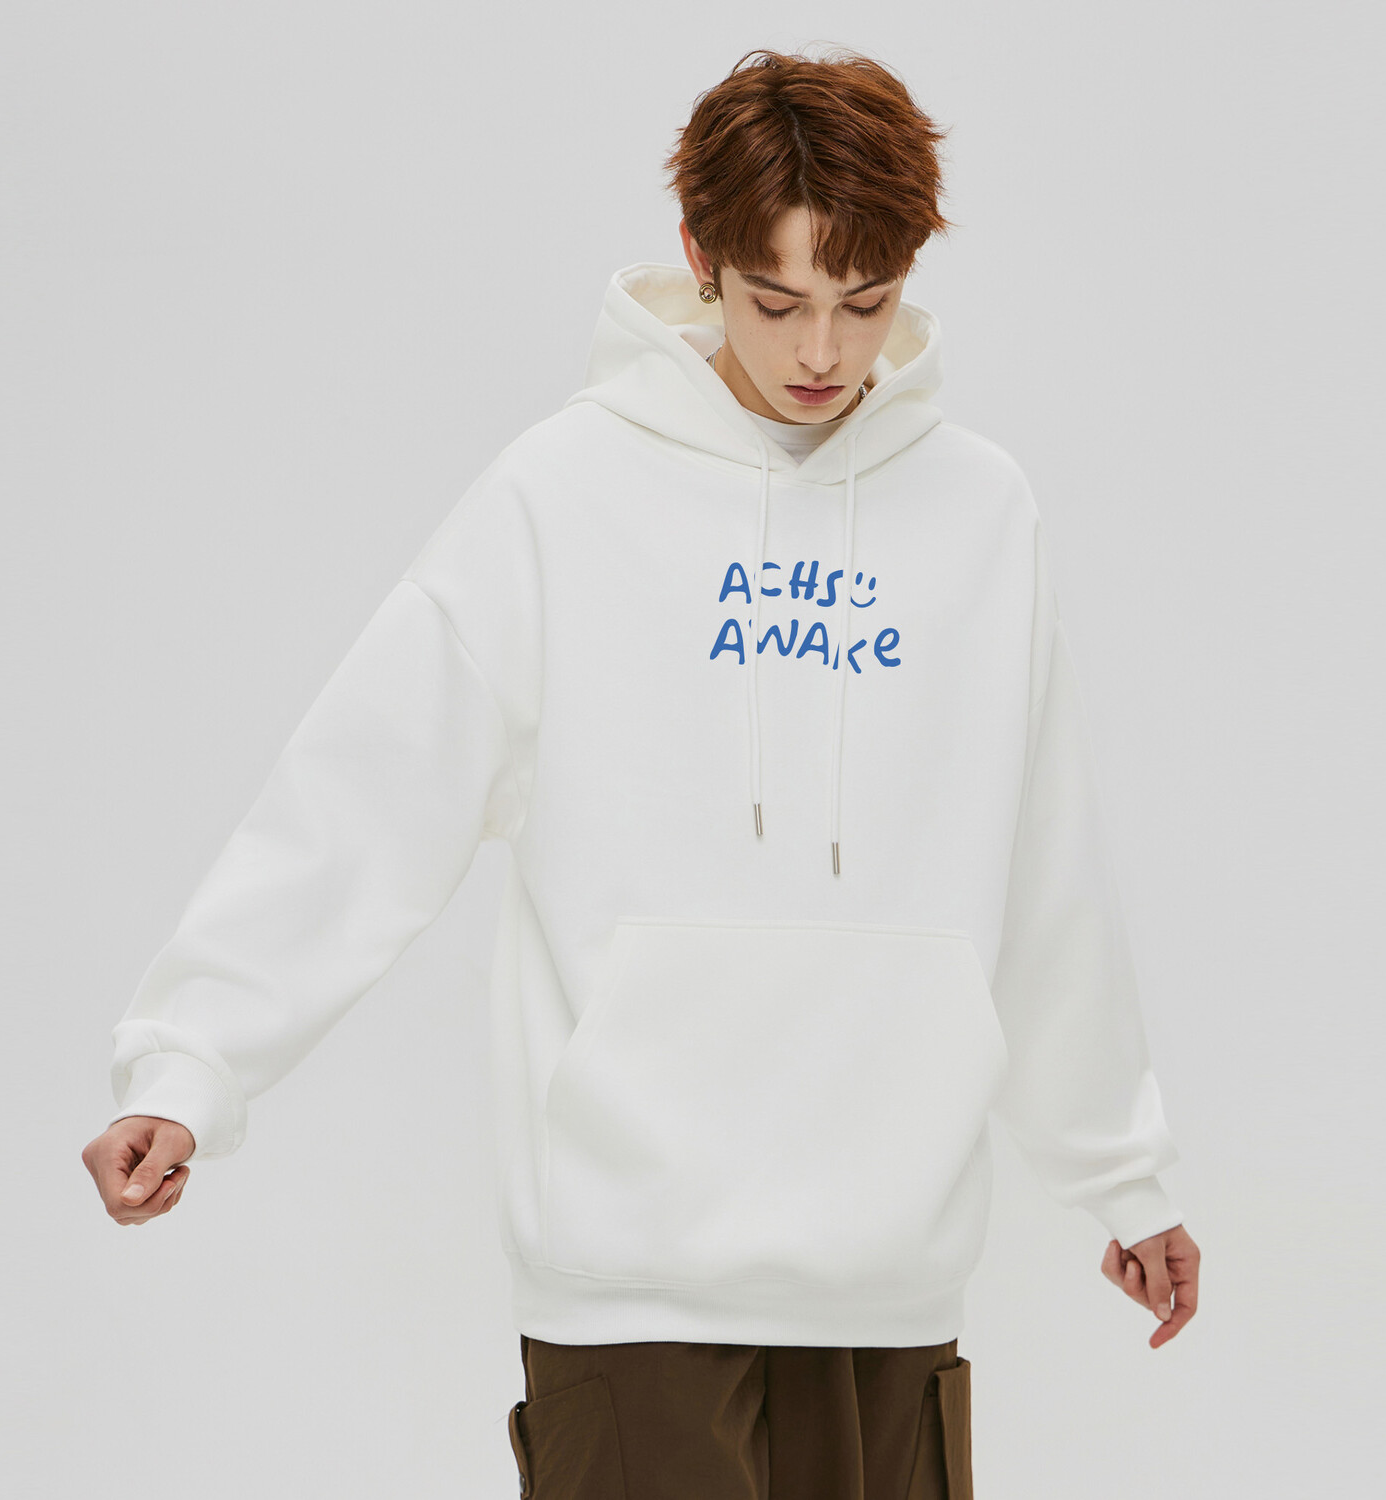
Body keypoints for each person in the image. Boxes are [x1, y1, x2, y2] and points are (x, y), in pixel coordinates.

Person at [82, 45, 1200, 1500]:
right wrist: (192, 1062)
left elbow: (1045, 865)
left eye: (865, 302)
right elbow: (370, 791)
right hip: (631, 1266)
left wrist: (1119, 1173)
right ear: (700, 257)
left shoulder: (980, 511)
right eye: (777, 302)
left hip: (891, 1269)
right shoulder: (562, 495)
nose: (822, 351)